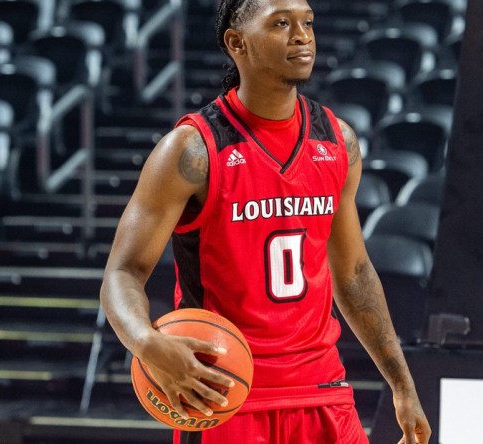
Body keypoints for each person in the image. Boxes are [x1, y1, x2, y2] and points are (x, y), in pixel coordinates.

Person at [100, 0, 431, 442]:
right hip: (226, 394)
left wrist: (402, 386)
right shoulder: (192, 150)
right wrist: (145, 341)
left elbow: (352, 274)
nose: (302, 35)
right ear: (237, 43)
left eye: (308, 23)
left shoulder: (336, 141)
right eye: (281, 24)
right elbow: (122, 272)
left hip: (323, 392)